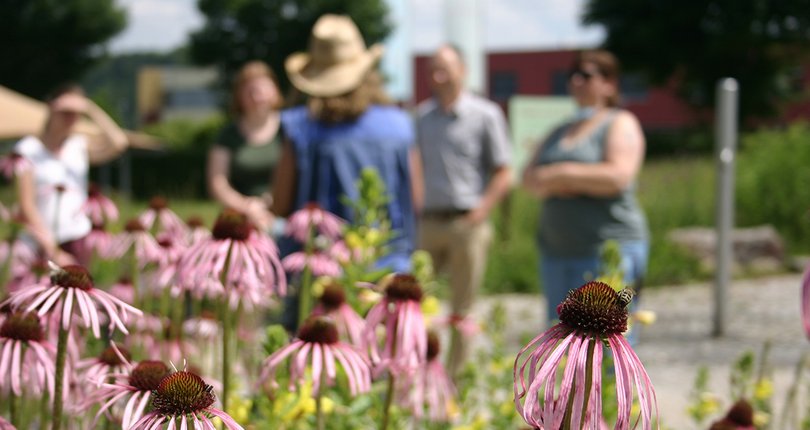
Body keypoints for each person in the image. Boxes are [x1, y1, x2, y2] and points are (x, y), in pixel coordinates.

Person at [272, 15, 417, 272]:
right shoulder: (400, 125)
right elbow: (416, 198)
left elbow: (281, 203)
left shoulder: (300, 126)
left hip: (318, 268)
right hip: (387, 266)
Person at [521, 50, 649, 327]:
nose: (577, 81)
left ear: (609, 84)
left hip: (613, 253)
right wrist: (577, 180)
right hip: (557, 254)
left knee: (612, 337)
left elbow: (618, 176)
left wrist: (562, 174)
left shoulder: (619, 122)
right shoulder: (559, 131)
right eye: (572, 76)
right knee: (562, 338)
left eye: (586, 75)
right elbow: (528, 179)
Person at [415, 44, 513, 378]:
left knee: (462, 309)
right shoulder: (422, 117)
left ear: (463, 70)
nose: (437, 76)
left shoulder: (486, 115)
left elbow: (503, 171)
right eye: (432, 69)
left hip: (466, 222)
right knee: (414, 304)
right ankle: (416, 377)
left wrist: (481, 212)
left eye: (444, 68)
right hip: (428, 221)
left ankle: (453, 385)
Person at [15, 84, 128, 266]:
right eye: (66, 111)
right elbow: (26, 204)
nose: (71, 118)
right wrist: (52, 249)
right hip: (38, 241)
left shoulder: (79, 146)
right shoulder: (28, 149)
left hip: (77, 236)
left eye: (77, 113)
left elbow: (119, 143)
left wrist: (90, 108)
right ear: (52, 108)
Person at [207, 61, 284, 233]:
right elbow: (218, 182)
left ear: (275, 91)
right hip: (238, 216)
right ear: (239, 97)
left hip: (281, 212)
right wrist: (247, 207)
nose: (257, 97)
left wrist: (270, 203)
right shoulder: (227, 134)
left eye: (263, 89)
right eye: (250, 91)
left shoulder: (289, 130)